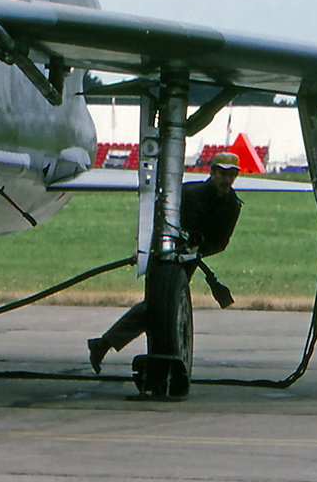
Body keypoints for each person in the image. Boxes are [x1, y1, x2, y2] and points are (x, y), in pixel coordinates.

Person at [87, 151, 243, 374]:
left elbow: (221, 242)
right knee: (158, 306)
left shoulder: (232, 206)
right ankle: (105, 344)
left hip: (188, 262)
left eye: (231, 175)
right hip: (162, 254)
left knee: (157, 306)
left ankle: (104, 344)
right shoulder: (188, 194)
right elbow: (157, 219)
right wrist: (145, 249)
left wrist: (198, 249)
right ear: (212, 172)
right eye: (222, 174)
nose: (227, 180)